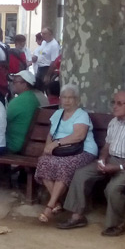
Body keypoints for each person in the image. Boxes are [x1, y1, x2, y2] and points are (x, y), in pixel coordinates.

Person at [57, 90, 125, 236]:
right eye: (113, 103)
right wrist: (102, 160)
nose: (114, 106)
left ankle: (117, 224)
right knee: (81, 173)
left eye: (119, 103)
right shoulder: (114, 122)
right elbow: (107, 147)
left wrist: (118, 167)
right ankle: (77, 216)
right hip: (113, 160)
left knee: (113, 187)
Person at [35, 83, 98, 223]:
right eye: (64, 97)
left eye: (71, 98)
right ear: (60, 99)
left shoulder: (81, 115)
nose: (67, 100)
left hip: (83, 151)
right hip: (62, 152)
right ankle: (57, 203)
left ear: (77, 100)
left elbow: (79, 136)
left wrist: (56, 144)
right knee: (43, 162)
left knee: (64, 165)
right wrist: (47, 149)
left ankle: (50, 206)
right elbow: (51, 135)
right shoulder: (57, 114)